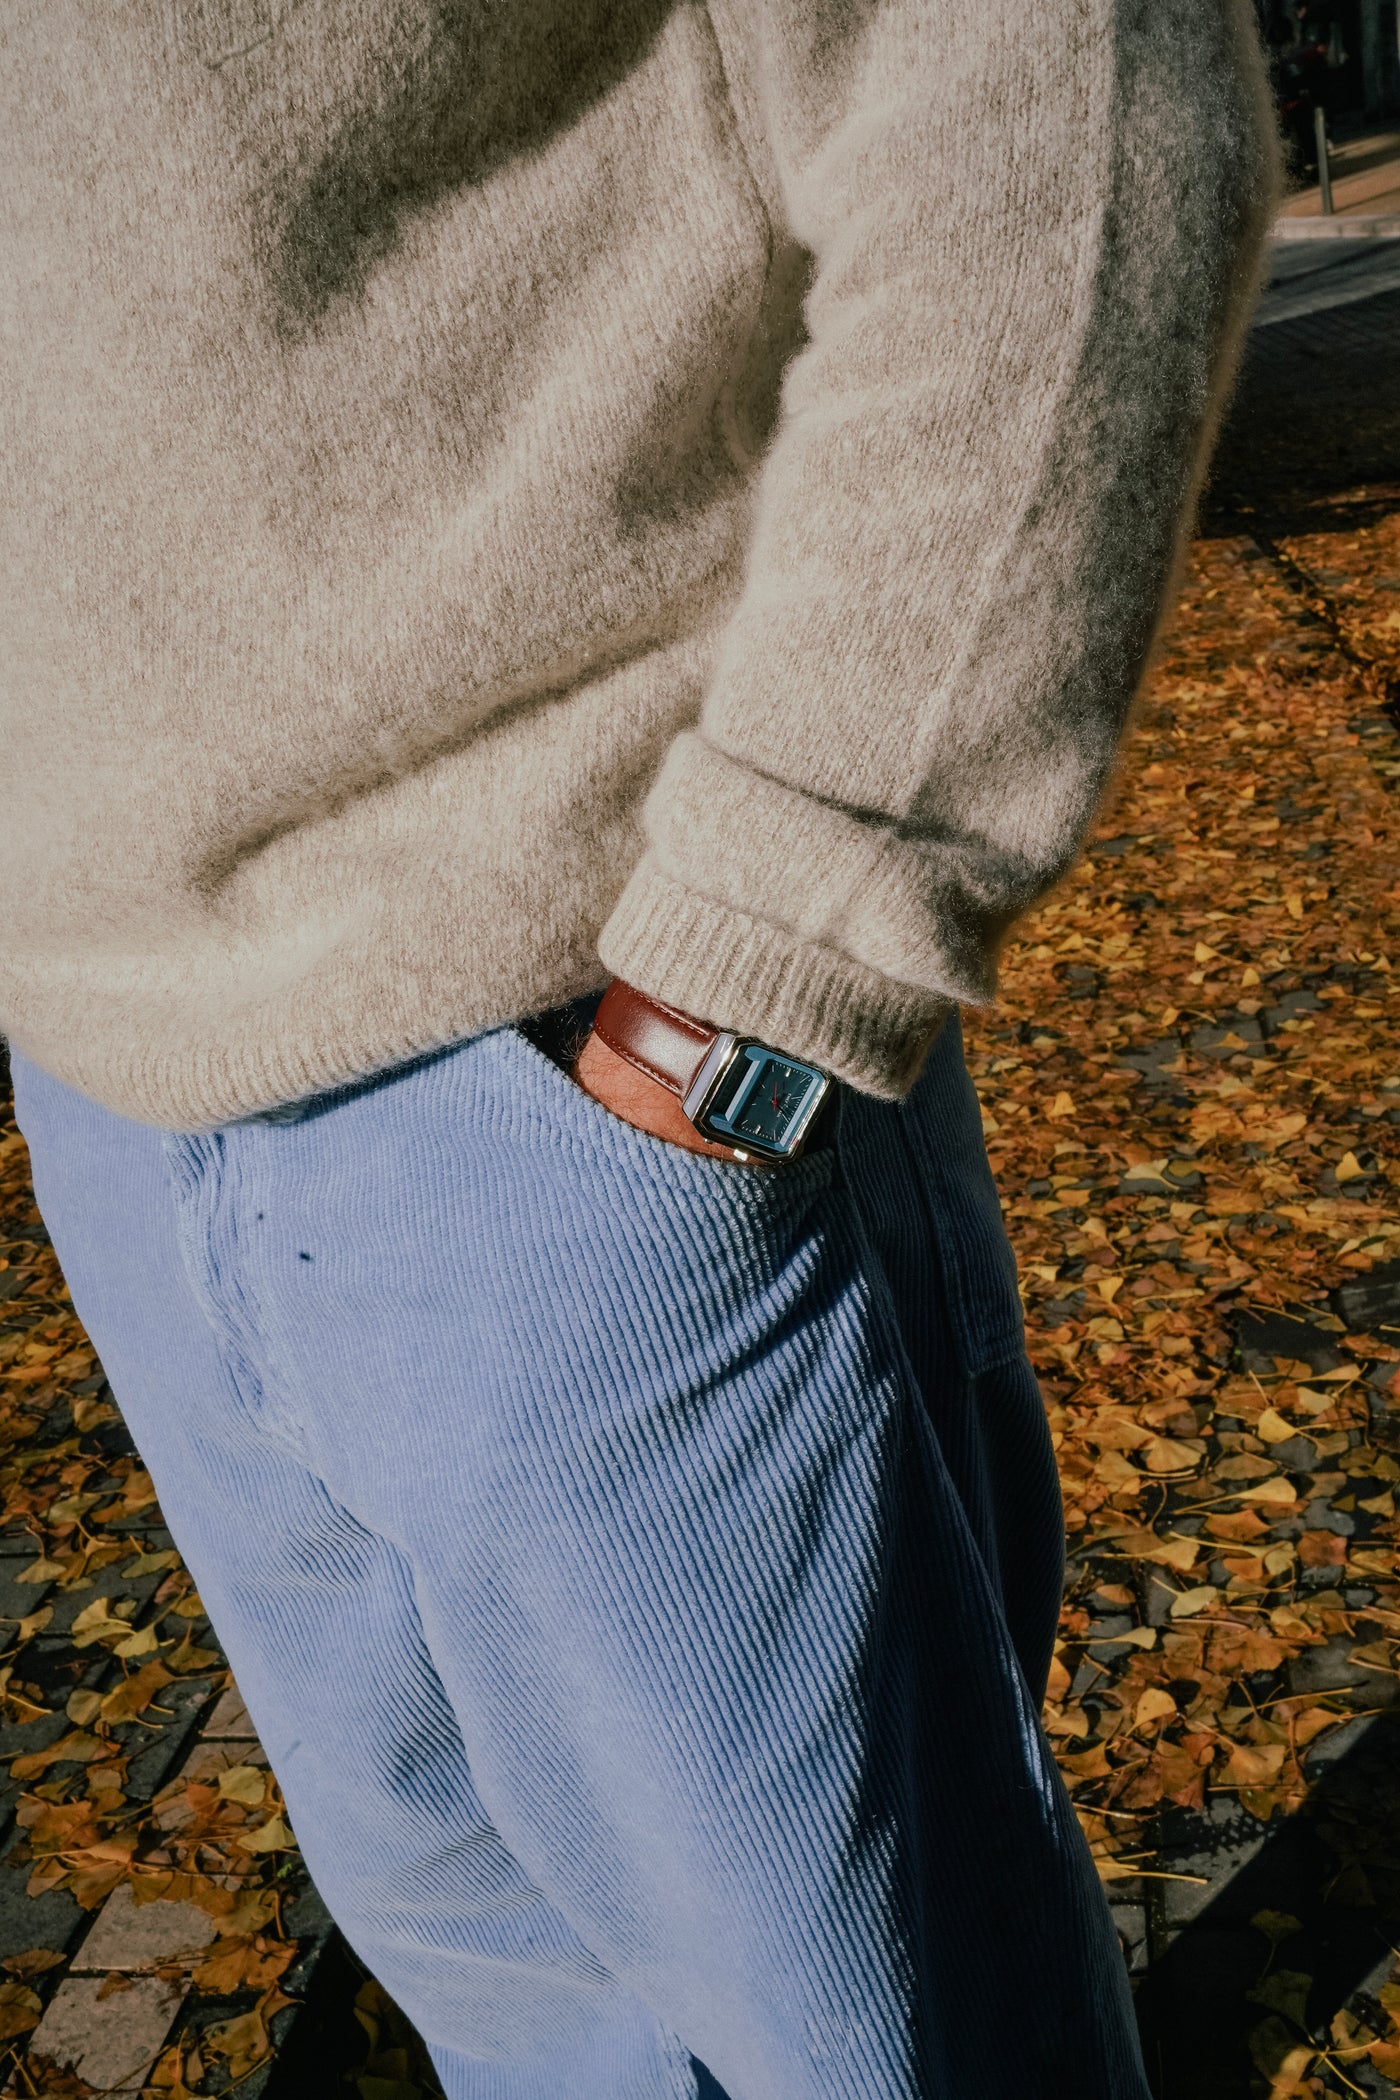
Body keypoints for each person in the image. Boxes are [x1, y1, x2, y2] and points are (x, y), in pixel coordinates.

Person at [0, 4, 1278, 2095]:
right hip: (109, 1092)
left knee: (871, 2040)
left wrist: (763, 967)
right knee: (530, 2031)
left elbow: (1055, 98)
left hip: (582, 1072)